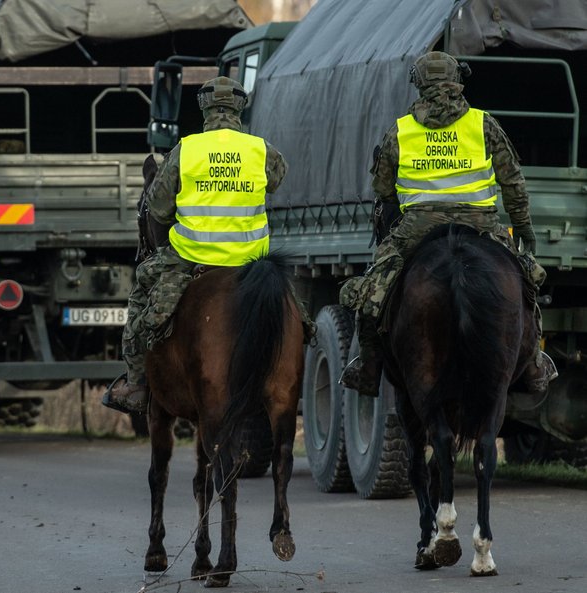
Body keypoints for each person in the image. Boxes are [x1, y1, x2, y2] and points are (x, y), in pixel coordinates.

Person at [339, 51, 557, 397]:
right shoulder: (483, 124)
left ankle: (367, 366)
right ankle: (533, 364)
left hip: (417, 227)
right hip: (482, 224)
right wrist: (523, 227)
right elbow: (513, 181)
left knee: (372, 293)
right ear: (458, 81)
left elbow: (382, 189)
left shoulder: (400, 130)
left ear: (419, 84)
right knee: (526, 286)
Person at [102, 76, 314, 415]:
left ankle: (137, 382)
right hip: (251, 258)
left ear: (204, 109)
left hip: (191, 255)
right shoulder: (261, 150)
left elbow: (157, 207)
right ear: (239, 109)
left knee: (142, 288)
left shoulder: (186, 151)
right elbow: (277, 179)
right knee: (292, 307)